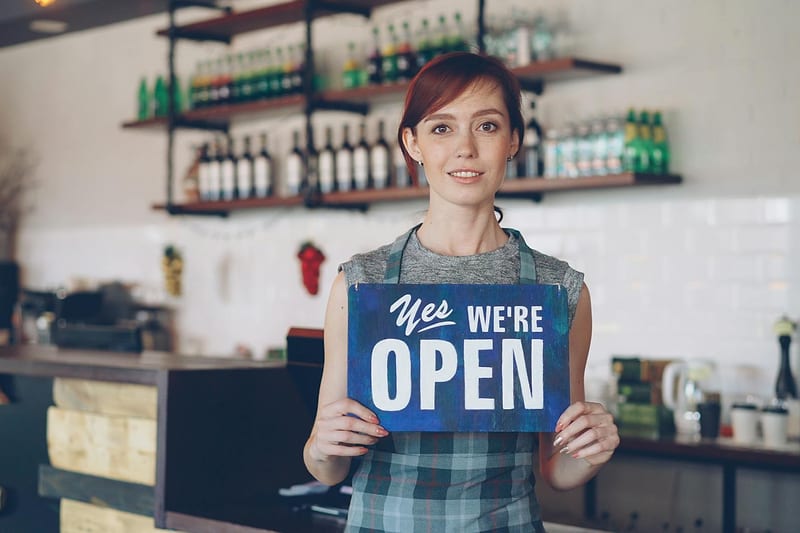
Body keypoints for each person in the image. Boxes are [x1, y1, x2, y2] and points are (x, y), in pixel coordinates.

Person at [303, 52, 619, 532]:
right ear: (413, 143)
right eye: (441, 128)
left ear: (513, 140)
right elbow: (327, 465)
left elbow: (557, 469)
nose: (465, 149)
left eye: (488, 127)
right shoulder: (360, 283)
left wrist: (593, 449)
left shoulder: (559, 292)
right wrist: (322, 446)